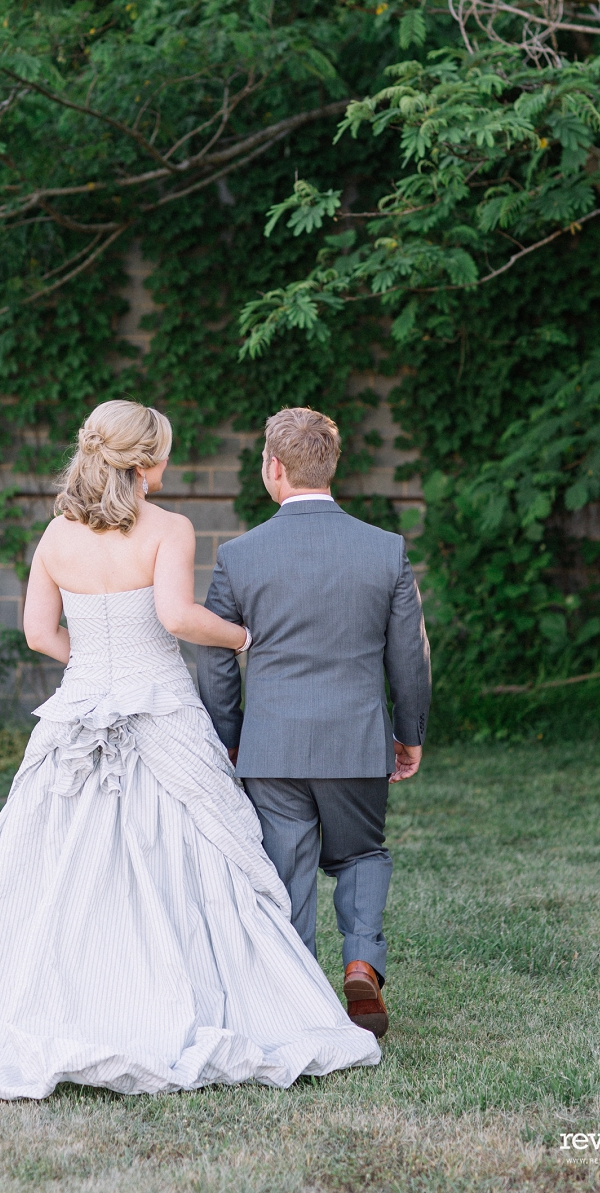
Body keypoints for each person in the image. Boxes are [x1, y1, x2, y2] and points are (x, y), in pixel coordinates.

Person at [0, 399, 380, 1099]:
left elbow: (37, 634)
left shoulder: (56, 535)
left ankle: (81, 995)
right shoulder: (168, 527)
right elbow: (175, 617)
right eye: (165, 451)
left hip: (78, 712)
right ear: (145, 464)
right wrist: (241, 638)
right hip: (160, 707)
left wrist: (92, 669)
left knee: (61, 863)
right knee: (191, 852)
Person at [197, 407, 431, 1039]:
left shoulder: (239, 556)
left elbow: (216, 658)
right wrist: (408, 733)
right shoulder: (385, 550)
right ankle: (360, 962)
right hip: (357, 741)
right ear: (332, 465)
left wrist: (231, 735)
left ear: (274, 468)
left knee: (285, 869)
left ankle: (298, 1003)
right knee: (361, 852)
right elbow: (409, 654)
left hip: (271, 746)